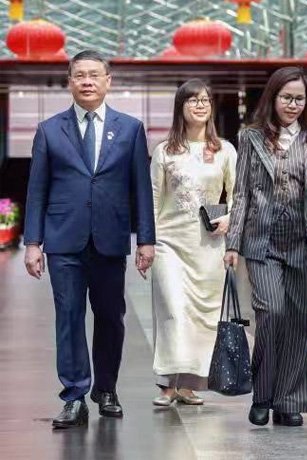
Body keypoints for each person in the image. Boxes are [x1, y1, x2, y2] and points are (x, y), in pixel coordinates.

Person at [23, 50, 155, 428]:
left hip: (110, 239)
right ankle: (74, 395)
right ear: (69, 82)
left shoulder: (130, 129)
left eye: (94, 75)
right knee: (69, 317)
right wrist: (33, 243)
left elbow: (141, 189)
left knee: (111, 317)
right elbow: (37, 191)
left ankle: (106, 389)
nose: (87, 81)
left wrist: (146, 239)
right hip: (63, 240)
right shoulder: (49, 130)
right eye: (79, 75)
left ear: (108, 81)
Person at [223, 67, 307, 428]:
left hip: (304, 243)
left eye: (299, 99)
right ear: (273, 98)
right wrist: (233, 243)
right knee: (272, 313)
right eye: (286, 98)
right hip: (262, 243)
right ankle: (263, 394)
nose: (293, 105)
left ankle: (289, 401)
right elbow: (241, 193)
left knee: (301, 322)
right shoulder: (251, 138)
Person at [150, 79, 237, 406]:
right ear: (180, 107)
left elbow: (239, 194)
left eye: (205, 100)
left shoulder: (225, 150)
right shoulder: (164, 151)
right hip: (169, 244)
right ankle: (167, 383)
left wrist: (230, 220)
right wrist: (147, 244)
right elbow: (153, 199)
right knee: (173, 310)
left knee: (203, 317)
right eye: (192, 100)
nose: (200, 105)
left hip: (209, 247)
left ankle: (189, 383)